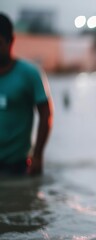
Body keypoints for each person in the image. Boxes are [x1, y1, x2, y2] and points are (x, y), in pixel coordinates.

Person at [0, 13, 53, 175]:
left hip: (19, 166)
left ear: (11, 41)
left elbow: (46, 114)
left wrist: (37, 156)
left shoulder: (29, 74)